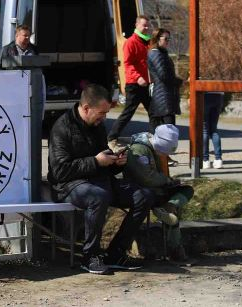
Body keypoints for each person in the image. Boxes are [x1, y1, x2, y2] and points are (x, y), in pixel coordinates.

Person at [48, 84, 155, 275]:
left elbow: (103, 161)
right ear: (87, 108)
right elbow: (60, 171)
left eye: (106, 113)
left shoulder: (96, 125)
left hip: (99, 180)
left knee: (143, 195)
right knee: (98, 196)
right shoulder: (61, 128)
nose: (104, 118)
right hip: (69, 185)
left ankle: (116, 253)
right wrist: (96, 162)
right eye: (101, 113)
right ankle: (90, 256)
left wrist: (116, 163)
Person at [123, 124, 194, 261]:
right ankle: (176, 250)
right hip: (142, 191)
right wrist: (166, 181)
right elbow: (146, 178)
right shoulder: (139, 149)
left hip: (157, 188)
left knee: (187, 190)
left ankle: (169, 206)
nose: (165, 155)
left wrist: (170, 182)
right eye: (165, 152)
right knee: (172, 219)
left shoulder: (154, 149)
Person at [108, 15, 152, 150]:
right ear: (137, 25)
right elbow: (128, 64)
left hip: (146, 84)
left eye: (148, 25)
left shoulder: (147, 42)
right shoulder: (131, 42)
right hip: (134, 84)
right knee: (128, 112)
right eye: (144, 25)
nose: (147, 28)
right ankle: (111, 138)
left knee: (155, 113)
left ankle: (156, 142)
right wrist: (138, 77)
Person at [147, 29, 183, 132]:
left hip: (164, 96)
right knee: (169, 132)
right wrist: (178, 81)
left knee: (161, 132)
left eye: (169, 39)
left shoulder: (161, 54)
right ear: (157, 39)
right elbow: (163, 76)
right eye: (166, 39)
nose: (168, 41)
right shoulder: (156, 54)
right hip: (163, 97)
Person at [203, 92, 224, 169]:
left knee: (204, 130)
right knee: (214, 129)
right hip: (218, 95)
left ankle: (205, 160)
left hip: (205, 94)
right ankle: (218, 159)